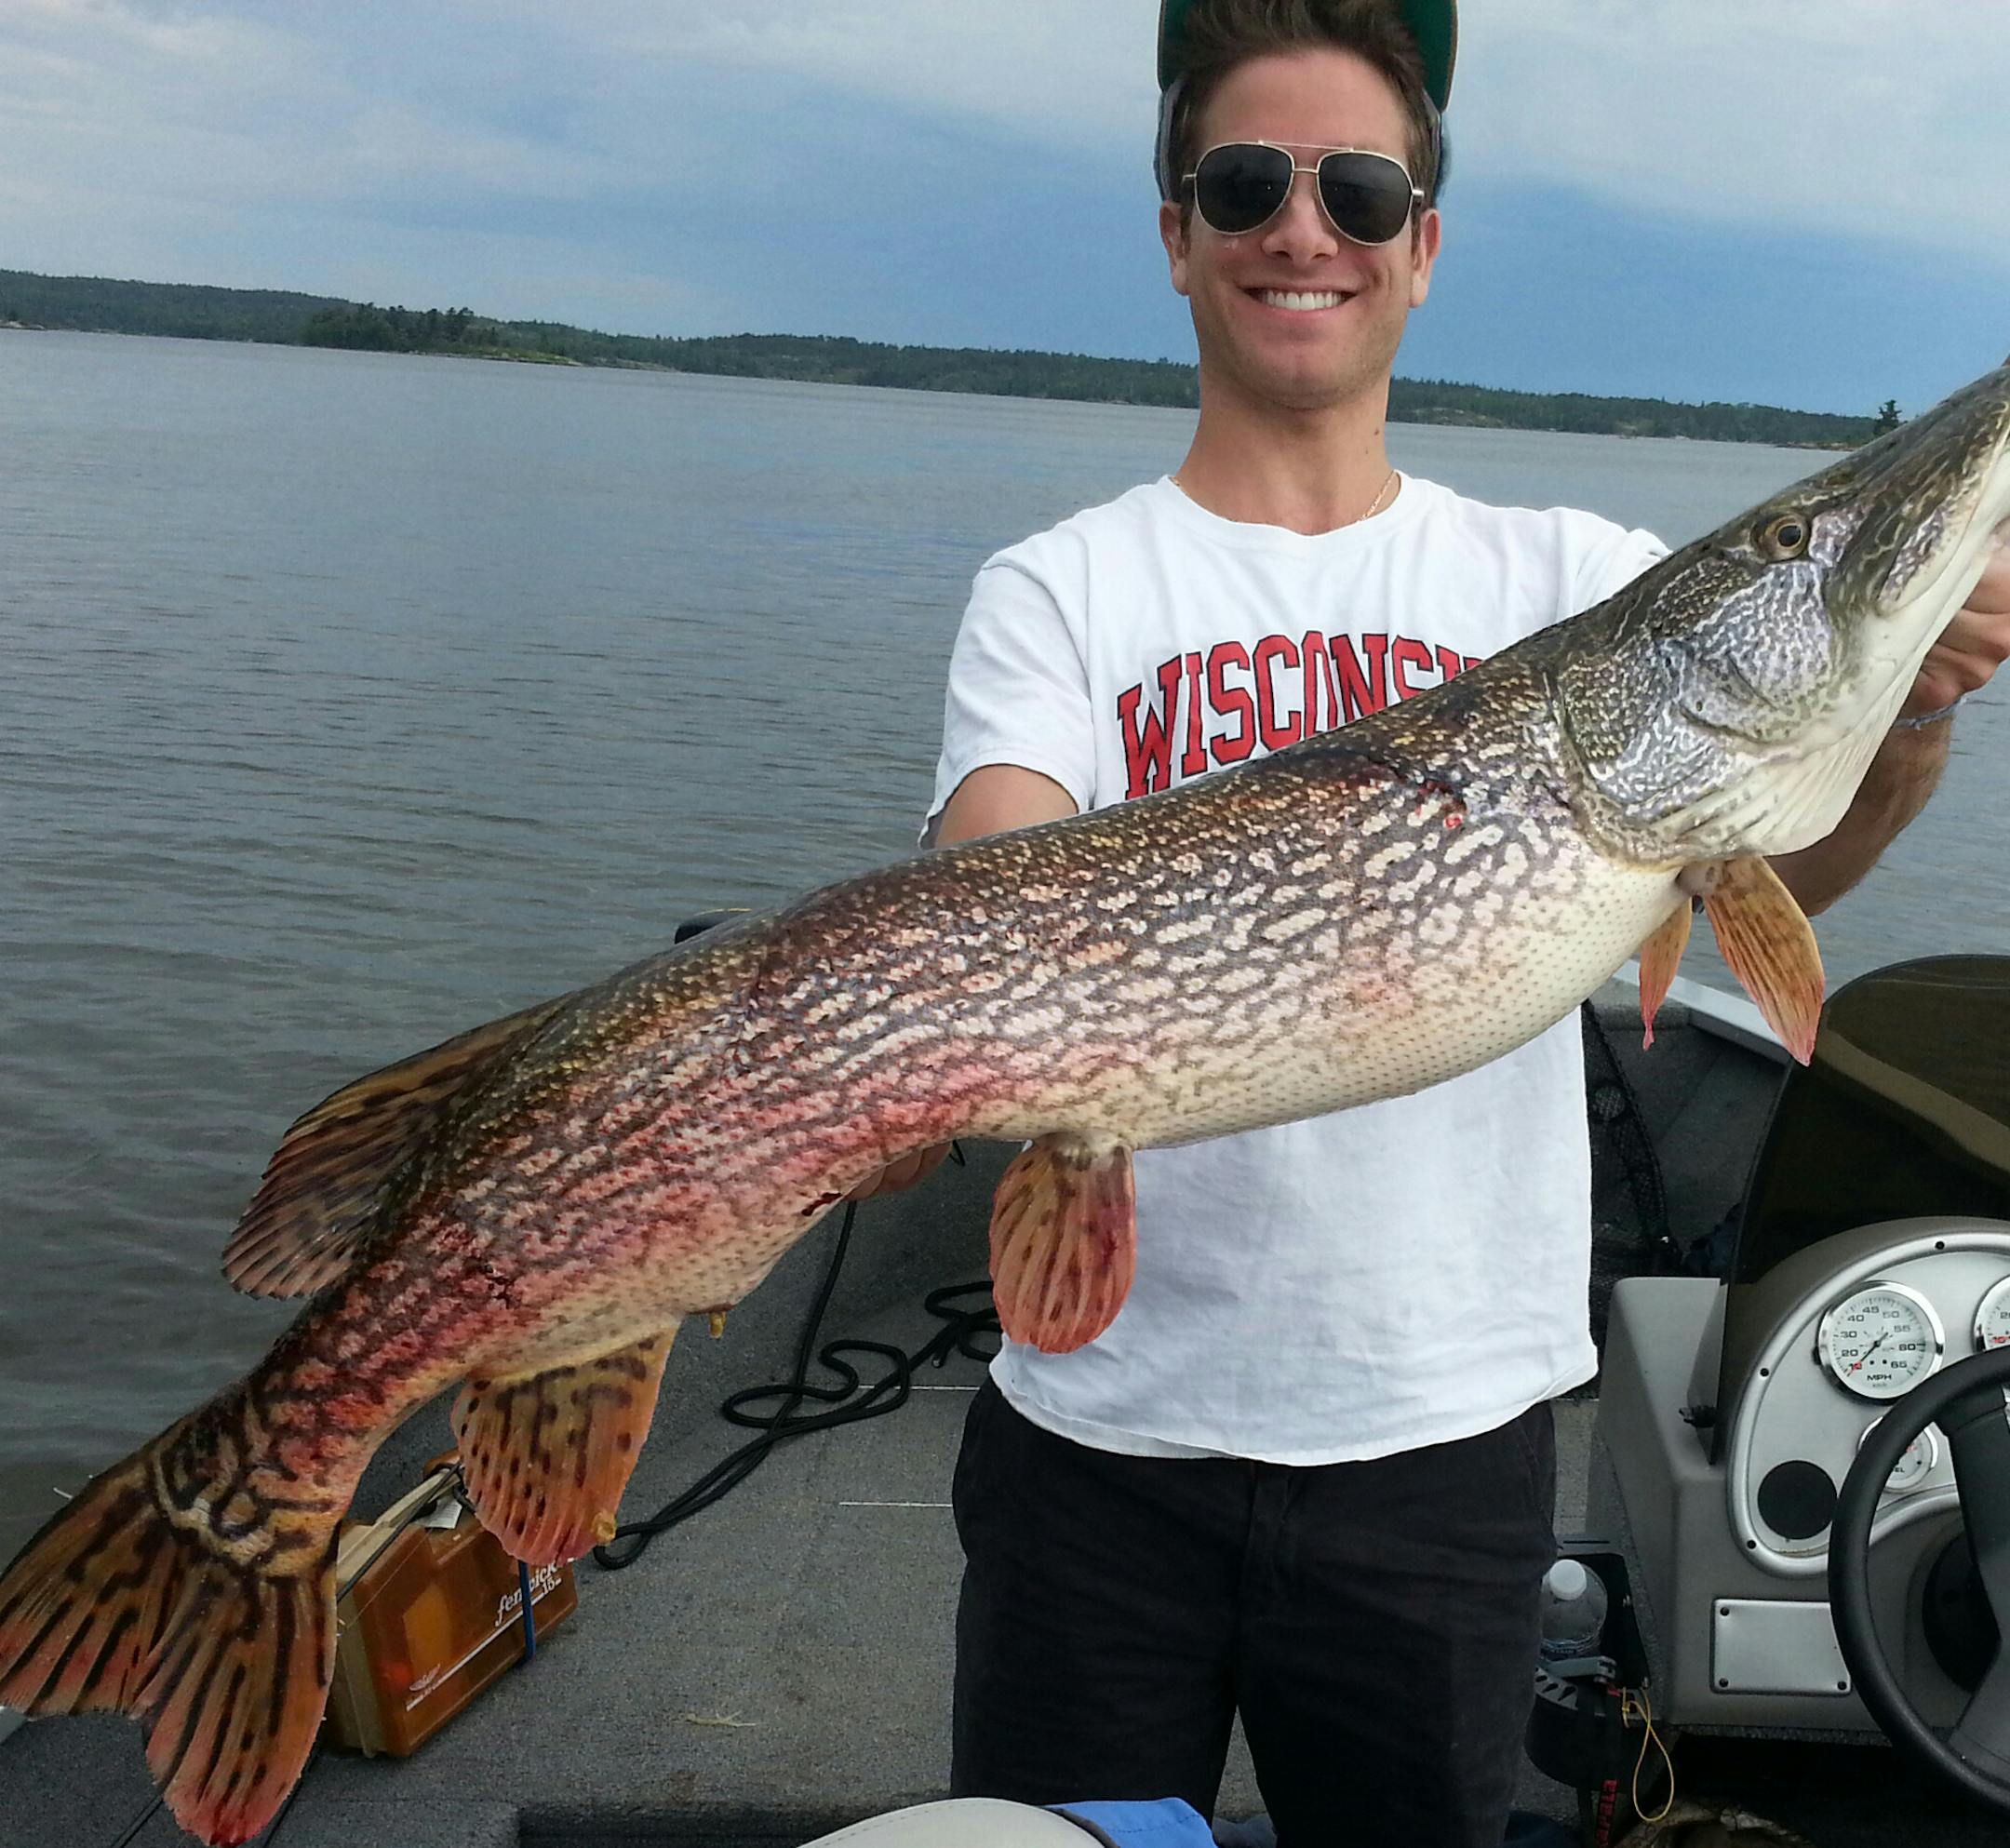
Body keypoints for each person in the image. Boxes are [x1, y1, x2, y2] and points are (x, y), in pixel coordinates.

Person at [852, 2, 2010, 1841]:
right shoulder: (1059, 588)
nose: (1303, 230)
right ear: (1177, 231)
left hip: (1439, 1447)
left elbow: (1784, 871)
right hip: (1098, 1447)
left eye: (1361, 189)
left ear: (1421, 246)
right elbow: (996, 859)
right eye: (1246, 184)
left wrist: (1917, 705)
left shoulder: (1567, 578)